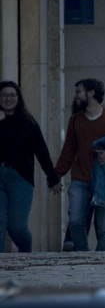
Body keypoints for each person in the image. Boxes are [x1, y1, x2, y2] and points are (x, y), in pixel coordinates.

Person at [54, 79, 105, 252]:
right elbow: (68, 151)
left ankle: (102, 265)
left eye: (79, 92)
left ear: (91, 93)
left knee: (104, 228)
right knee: (75, 220)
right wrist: (55, 176)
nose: (76, 96)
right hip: (81, 180)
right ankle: (83, 257)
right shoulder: (75, 121)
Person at [0, 81, 60, 252]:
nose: (8, 99)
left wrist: (53, 178)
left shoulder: (27, 122)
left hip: (20, 178)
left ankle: (27, 254)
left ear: (18, 98)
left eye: (12, 95)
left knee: (17, 227)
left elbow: (42, 152)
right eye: (4, 95)